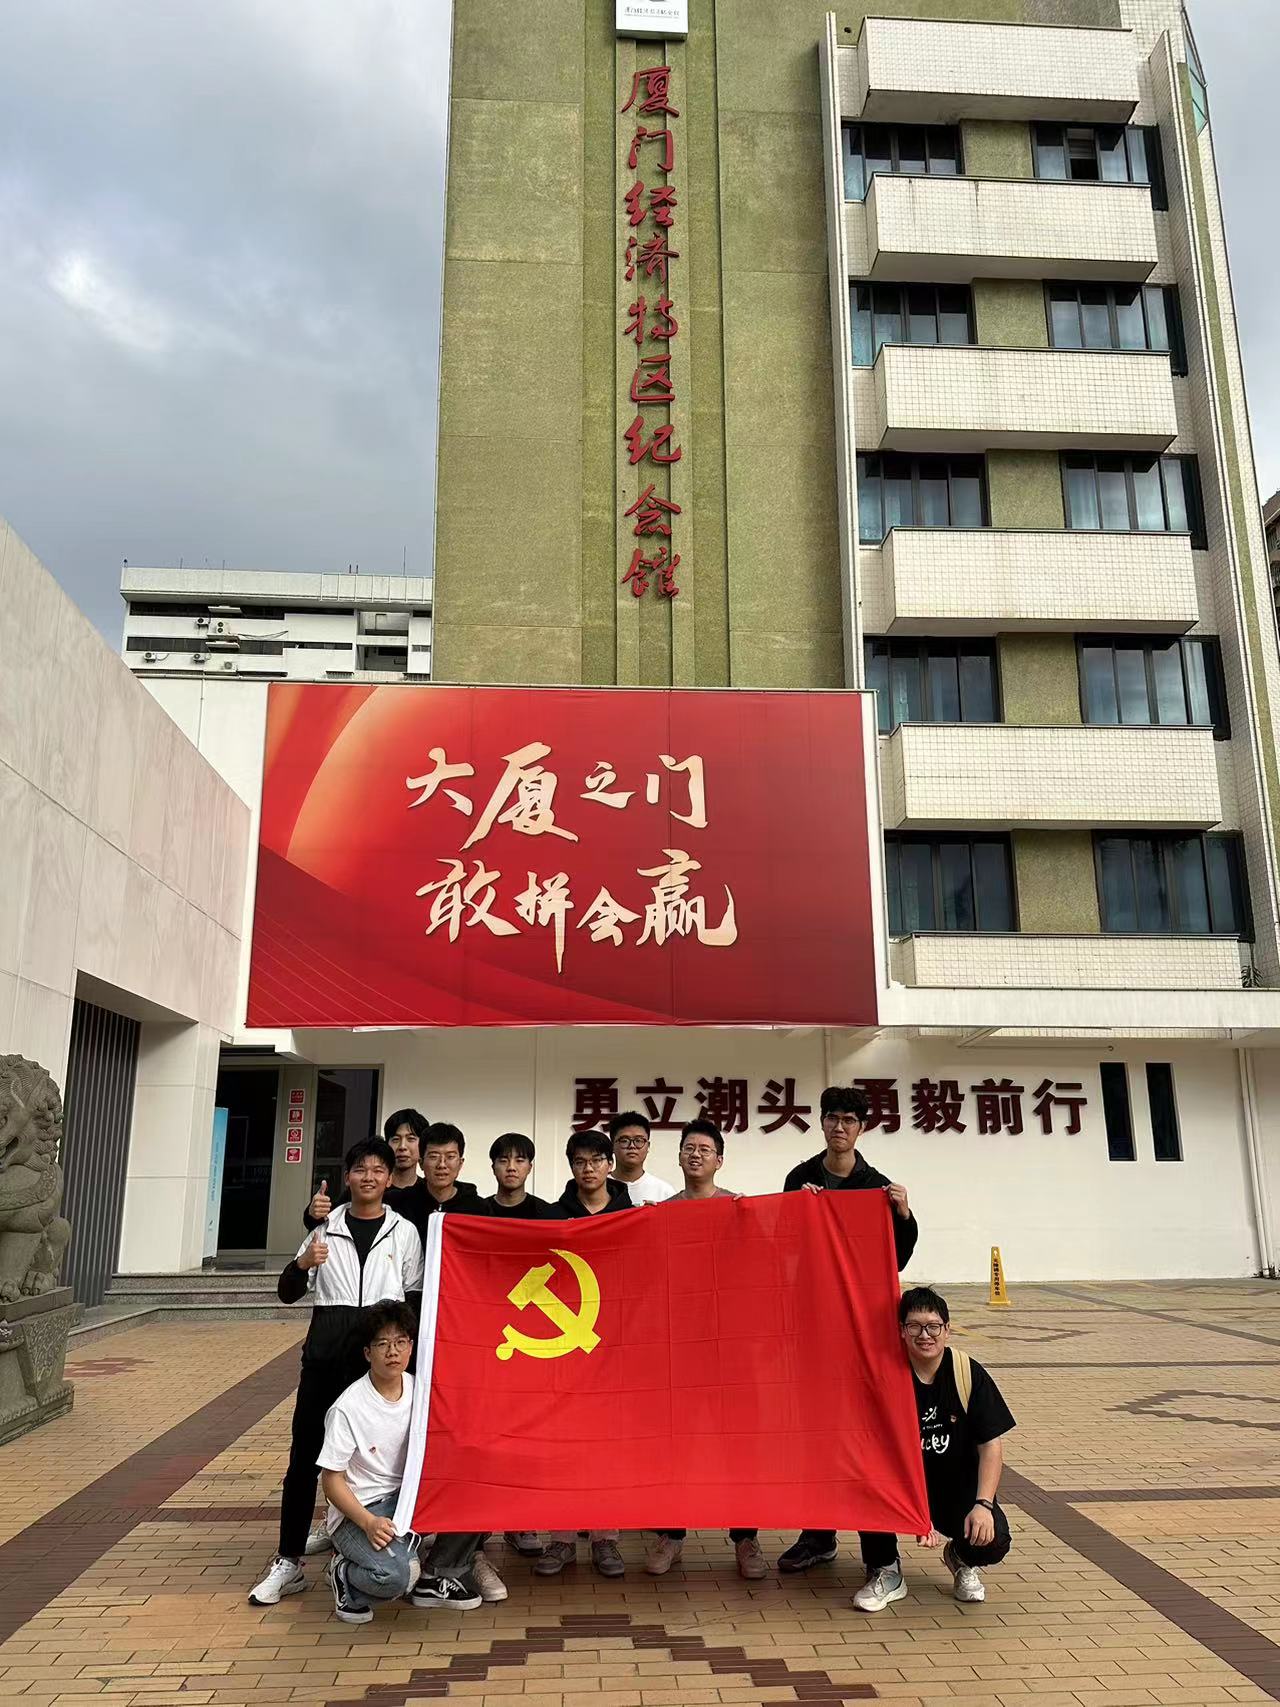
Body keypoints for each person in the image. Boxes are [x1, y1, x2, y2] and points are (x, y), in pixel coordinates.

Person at [249, 1138, 423, 1606]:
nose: (369, 1177)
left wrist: (405, 1352)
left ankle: (351, 1531)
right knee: (305, 1458)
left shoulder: (404, 1232)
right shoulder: (324, 1227)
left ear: (390, 1179)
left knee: (386, 1454)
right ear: (347, 1177)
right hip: (326, 1358)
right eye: (360, 1169)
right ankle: (288, 1561)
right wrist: (303, 1262)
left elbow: (413, 1298)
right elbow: (288, 1291)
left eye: (378, 1170)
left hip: (380, 1360)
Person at [778, 1084, 919, 1575]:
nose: (839, 1127)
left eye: (849, 1120)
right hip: (813, 1322)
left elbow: (896, 1258)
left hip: (862, 1327)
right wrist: (800, 1210)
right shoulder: (800, 1177)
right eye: (832, 1118)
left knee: (861, 1431)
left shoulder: (876, 1186)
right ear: (821, 1123)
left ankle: (876, 1544)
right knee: (815, 1428)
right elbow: (783, 1245)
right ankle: (817, 1535)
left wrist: (903, 1214)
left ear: (862, 1127)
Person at [645, 1119, 767, 1581]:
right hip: (679, 1348)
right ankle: (670, 1534)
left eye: (704, 1149)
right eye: (688, 1148)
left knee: (739, 1444)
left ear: (719, 1160)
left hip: (732, 1349)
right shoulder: (663, 1213)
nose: (695, 1155)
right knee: (675, 1443)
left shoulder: (737, 1209)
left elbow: (764, 1263)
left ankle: (746, 1537)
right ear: (679, 1156)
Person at [853, 1286, 1014, 1612]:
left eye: (933, 1326)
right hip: (901, 1487)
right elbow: (867, 1450)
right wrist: (915, 1512)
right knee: (864, 1487)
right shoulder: (887, 1377)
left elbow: (990, 1445)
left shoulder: (967, 1373)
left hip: (955, 1489)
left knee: (994, 1539)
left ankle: (961, 1558)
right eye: (914, 1326)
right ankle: (886, 1569)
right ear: (901, 1331)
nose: (924, 1335)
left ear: (947, 1329)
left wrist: (983, 1504)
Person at [536, 1130, 630, 1580]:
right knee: (563, 1443)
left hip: (614, 1346)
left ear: (610, 1164)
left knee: (607, 1445)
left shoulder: (632, 1215)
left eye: (596, 1160)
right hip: (565, 1347)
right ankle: (561, 1537)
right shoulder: (552, 1217)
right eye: (579, 1161)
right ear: (571, 1166)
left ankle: (606, 1538)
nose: (588, 1169)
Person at [317, 1302, 422, 1622]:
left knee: (473, 1503)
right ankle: (345, 1575)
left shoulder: (421, 1391)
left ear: (411, 1346)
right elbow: (331, 1480)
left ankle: (437, 1572)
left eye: (400, 1341)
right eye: (382, 1343)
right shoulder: (348, 1407)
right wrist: (367, 1522)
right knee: (399, 1576)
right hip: (361, 1510)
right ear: (367, 1353)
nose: (393, 1351)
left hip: (406, 1501)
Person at [480, 1132, 554, 1566]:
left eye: (520, 1159)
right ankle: (482, 1520)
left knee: (529, 1432)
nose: (511, 1166)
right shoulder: (475, 1212)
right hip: (487, 1337)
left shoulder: (547, 1215)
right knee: (490, 1431)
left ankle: (521, 1520)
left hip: (534, 1341)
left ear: (530, 1167)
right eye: (504, 1159)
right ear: (492, 1166)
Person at [608, 1110, 676, 1205]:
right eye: (624, 1141)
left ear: (648, 1146)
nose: (632, 1146)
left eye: (639, 1140)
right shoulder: (599, 1188)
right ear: (612, 1146)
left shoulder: (664, 1191)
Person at [483, 1132, 555, 1219]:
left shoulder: (546, 1213)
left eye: (519, 1161)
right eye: (503, 1161)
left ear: (529, 1168)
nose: (511, 1167)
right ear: (493, 1168)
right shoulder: (479, 1212)